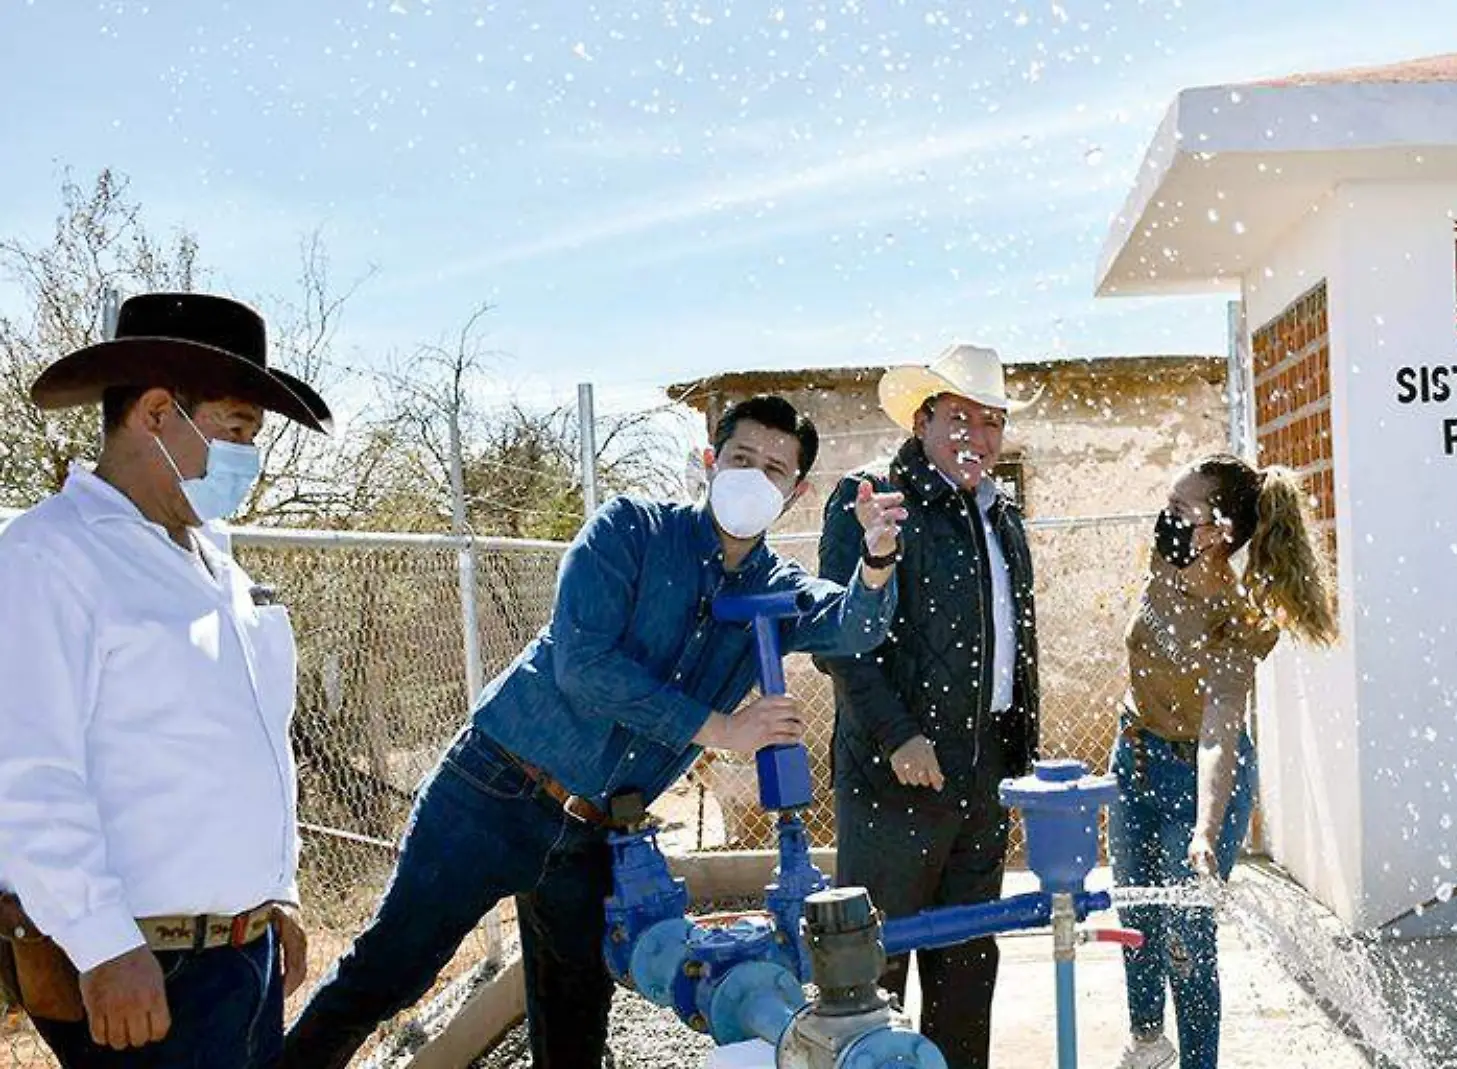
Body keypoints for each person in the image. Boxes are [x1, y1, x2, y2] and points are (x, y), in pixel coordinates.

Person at [281, 395, 907, 1069]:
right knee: (389, 973)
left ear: (797, 492)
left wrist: (876, 561)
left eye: (775, 470)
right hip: (495, 789)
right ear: (708, 462)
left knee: (575, 1014)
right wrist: (722, 726)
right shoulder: (629, 531)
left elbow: (856, 625)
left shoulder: (773, 587)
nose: (754, 477)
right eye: (741, 458)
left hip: (596, 832)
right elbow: (583, 665)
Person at [0, 292, 331, 1068]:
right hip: (145, 973)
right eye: (238, 429)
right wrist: (104, 945)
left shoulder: (211, 562)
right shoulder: (53, 558)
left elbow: (254, 743)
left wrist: (274, 893)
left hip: (238, 958)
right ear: (156, 411)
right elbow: (27, 775)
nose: (251, 456)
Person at [817, 343, 1040, 1069]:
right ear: (922, 421)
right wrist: (899, 736)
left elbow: (1013, 639)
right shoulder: (874, 499)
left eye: (992, 420)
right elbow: (840, 641)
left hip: (983, 775)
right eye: (959, 416)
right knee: (873, 972)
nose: (977, 434)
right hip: (894, 778)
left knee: (968, 964)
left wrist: (1018, 752)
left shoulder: (998, 513)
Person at [1112, 455, 1339, 1069]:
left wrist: (1205, 830)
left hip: (1201, 780)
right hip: (1132, 757)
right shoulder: (1166, 559)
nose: (1166, 519)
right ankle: (1148, 1044)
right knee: (1136, 916)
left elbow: (1219, 732)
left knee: (1187, 938)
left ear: (1217, 530)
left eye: (1181, 512)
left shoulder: (1242, 619)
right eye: (1169, 503)